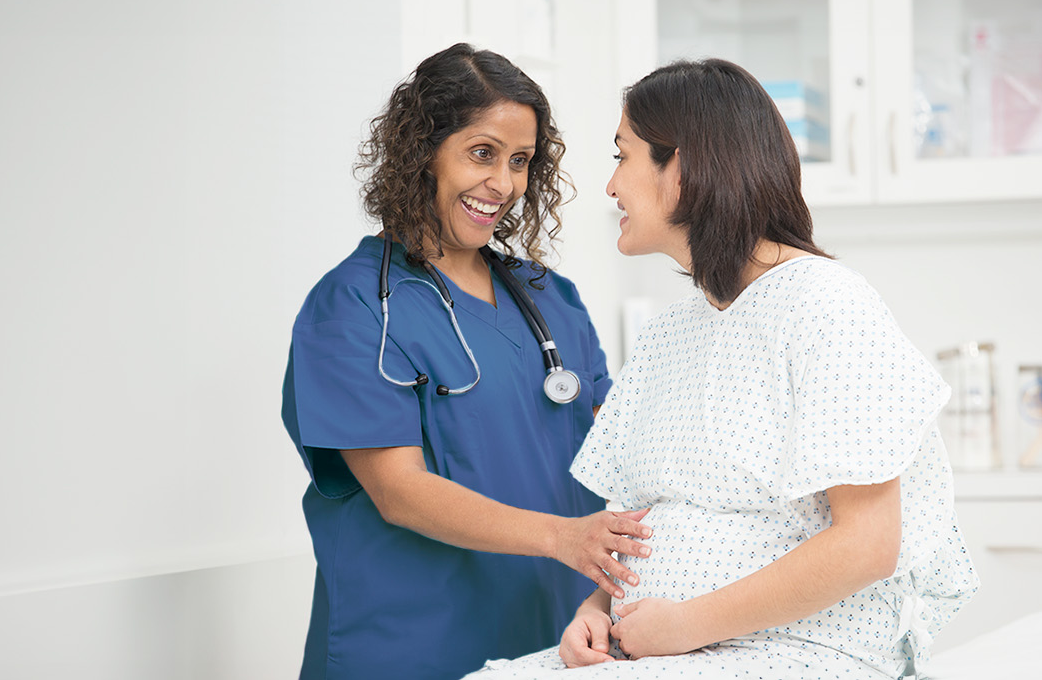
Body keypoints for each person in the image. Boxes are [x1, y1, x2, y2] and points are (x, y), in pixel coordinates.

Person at [468, 59, 979, 679]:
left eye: (622, 156)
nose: (610, 187)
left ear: (680, 168)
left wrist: (686, 625)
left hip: (800, 650)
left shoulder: (826, 304)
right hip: (659, 647)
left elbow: (868, 544)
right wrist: (596, 611)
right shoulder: (671, 333)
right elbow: (637, 525)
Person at [282, 43, 655, 680]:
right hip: (411, 646)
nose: (504, 185)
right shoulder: (351, 308)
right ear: (423, 151)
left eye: (520, 161)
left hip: (554, 637)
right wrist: (564, 538)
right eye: (482, 153)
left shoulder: (549, 298)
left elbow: (616, 448)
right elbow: (398, 491)